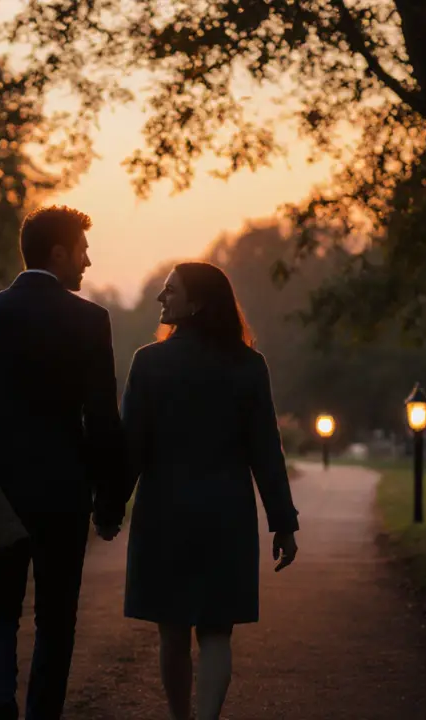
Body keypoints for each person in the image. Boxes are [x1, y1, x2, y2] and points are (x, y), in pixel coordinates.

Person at [0, 205, 128, 720]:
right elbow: (102, 420)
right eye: (83, 251)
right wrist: (108, 501)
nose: (88, 262)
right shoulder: (90, 320)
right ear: (59, 252)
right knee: (56, 618)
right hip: (62, 494)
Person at [120, 261, 300, 720]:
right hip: (226, 516)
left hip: (165, 514)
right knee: (217, 632)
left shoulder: (149, 362)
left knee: (173, 632)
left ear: (196, 302)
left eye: (170, 290)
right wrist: (283, 522)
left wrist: (107, 507)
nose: (161, 298)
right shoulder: (249, 366)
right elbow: (266, 450)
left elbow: (132, 448)